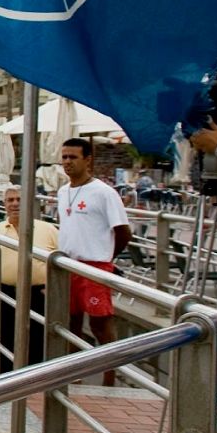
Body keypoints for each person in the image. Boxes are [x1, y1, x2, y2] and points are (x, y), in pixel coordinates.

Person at [56, 138, 131, 386]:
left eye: (73, 157)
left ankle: (109, 381)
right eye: (64, 157)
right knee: (70, 326)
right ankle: (72, 378)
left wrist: (106, 258)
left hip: (95, 268)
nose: (67, 162)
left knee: (101, 326)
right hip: (68, 267)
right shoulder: (62, 191)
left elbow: (122, 232)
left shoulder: (104, 193)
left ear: (88, 159)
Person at [0, 185, 59, 371]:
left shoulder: (48, 229)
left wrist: (54, 285)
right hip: (5, 292)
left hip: (39, 293)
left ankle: (32, 382)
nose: (15, 204)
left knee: (37, 339)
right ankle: (6, 380)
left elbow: (63, 260)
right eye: (10, 200)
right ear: (4, 205)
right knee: (5, 337)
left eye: (19, 199)